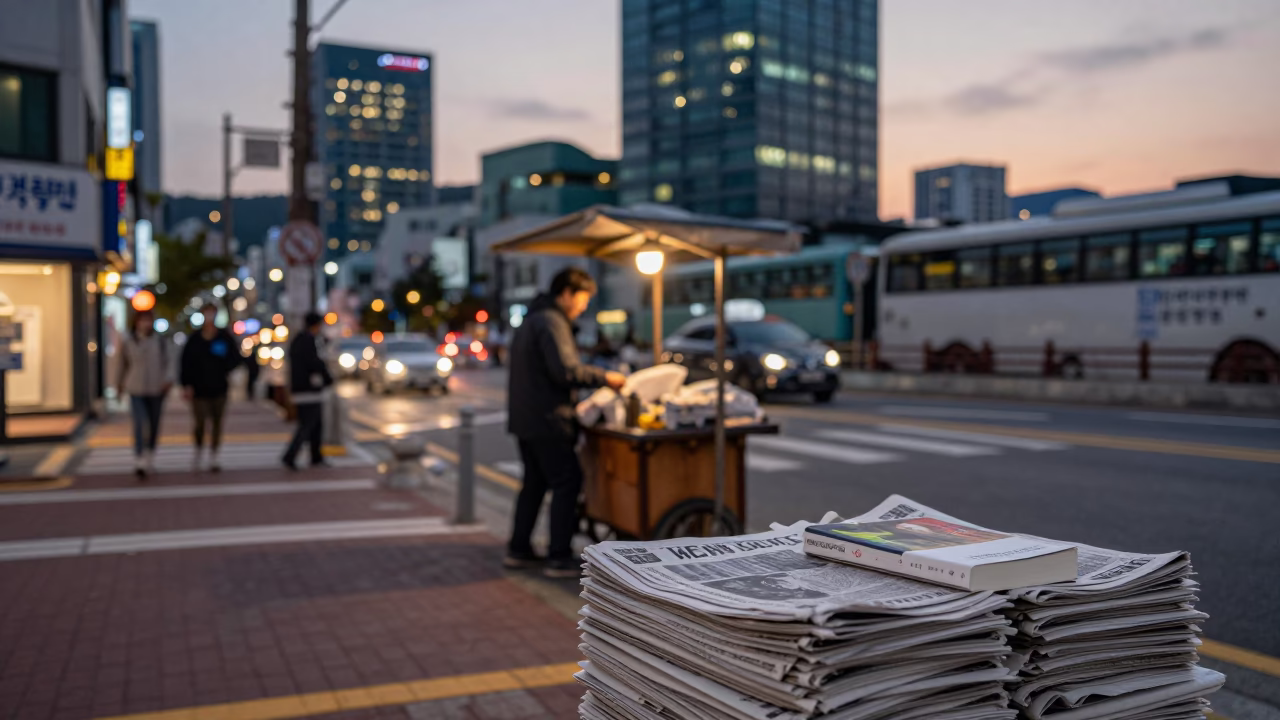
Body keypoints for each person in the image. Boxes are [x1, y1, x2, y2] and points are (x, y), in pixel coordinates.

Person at [506, 267, 626, 578]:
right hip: (548, 418)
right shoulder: (551, 321)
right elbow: (565, 370)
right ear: (567, 293)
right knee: (567, 481)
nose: (583, 306)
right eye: (583, 298)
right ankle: (559, 556)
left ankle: (519, 549)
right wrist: (606, 377)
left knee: (534, 483)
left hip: (526, 418)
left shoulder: (535, 318)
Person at [179, 302, 241, 471]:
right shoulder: (195, 339)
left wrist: (223, 368)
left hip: (219, 387)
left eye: (212, 313)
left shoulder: (224, 337)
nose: (209, 316)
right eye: (207, 313)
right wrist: (186, 385)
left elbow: (236, 358)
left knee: (217, 422)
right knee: (199, 422)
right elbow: (185, 363)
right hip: (199, 389)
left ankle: (214, 455)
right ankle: (198, 450)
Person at [115, 309, 173, 479]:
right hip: (136, 389)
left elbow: (169, 362)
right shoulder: (129, 342)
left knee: (154, 423)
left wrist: (168, 379)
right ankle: (139, 457)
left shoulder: (160, 341)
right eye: (142, 320)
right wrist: (118, 385)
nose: (146, 324)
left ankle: (150, 454)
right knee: (140, 423)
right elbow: (122, 365)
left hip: (157, 389)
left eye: (148, 320)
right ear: (136, 322)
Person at [282, 312, 333, 470]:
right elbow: (315, 363)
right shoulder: (308, 340)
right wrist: (327, 378)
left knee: (316, 424)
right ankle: (290, 456)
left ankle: (316, 456)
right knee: (307, 424)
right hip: (308, 389)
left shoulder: (298, 339)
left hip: (303, 388)